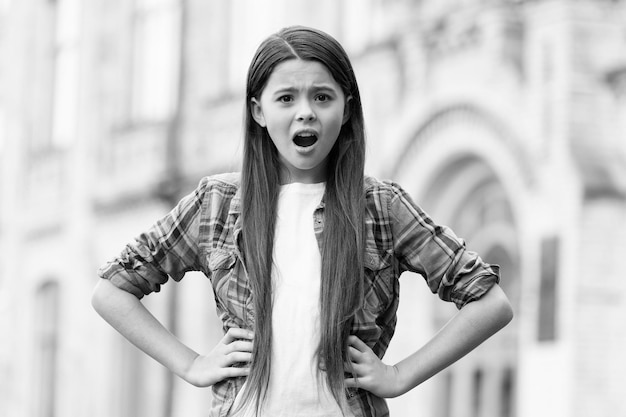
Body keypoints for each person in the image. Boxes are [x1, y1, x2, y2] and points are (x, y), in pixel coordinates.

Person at [91, 25, 513, 417]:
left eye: (322, 97)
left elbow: (490, 303)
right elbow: (112, 291)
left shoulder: (381, 207)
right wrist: (191, 365)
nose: (306, 112)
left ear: (346, 109)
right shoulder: (217, 204)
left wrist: (399, 375)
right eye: (287, 98)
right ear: (258, 111)